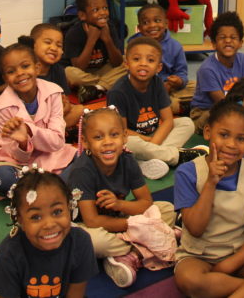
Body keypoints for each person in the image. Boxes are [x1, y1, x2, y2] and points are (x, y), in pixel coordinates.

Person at [173, 100, 244, 297]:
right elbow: (196, 229)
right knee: (189, 279)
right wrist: (210, 183)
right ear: (208, 132)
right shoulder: (188, 172)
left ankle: (241, 289)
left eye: (240, 139)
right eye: (224, 135)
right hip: (198, 256)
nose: (231, 145)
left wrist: (228, 265)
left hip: (239, 255)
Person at [61, 107, 177, 288]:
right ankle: (146, 243)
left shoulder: (127, 160)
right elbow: (91, 220)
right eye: (98, 137)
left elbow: (146, 202)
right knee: (91, 241)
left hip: (119, 217)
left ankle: (129, 254)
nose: (107, 142)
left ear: (124, 137)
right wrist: (138, 226)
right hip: (87, 224)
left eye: (114, 135)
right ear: (85, 142)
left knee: (167, 209)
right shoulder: (82, 171)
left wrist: (120, 205)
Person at [0, 41, 76, 198]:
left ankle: (35, 192)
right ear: (4, 78)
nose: (20, 73)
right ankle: (53, 189)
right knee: (1, 177)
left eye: (25, 66)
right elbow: (18, 156)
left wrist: (30, 131)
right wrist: (22, 143)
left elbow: (57, 142)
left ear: (37, 68)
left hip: (52, 154)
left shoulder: (53, 93)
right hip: (17, 164)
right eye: (11, 71)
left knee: (84, 159)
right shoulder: (3, 107)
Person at [108, 36, 207, 179]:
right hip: (134, 139)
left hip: (155, 136)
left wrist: (154, 145)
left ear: (159, 67)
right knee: (128, 142)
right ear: (126, 64)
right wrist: (146, 141)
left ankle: (145, 162)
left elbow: (167, 120)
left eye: (150, 60)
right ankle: (176, 156)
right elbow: (121, 131)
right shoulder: (117, 92)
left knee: (186, 122)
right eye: (136, 59)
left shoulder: (158, 83)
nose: (143, 64)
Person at [0, 169, 97, 297]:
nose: (49, 224)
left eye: (57, 212)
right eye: (36, 217)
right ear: (20, 220)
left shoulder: (80, 242)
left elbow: (76, 294)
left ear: (69, 207)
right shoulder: (9, 252)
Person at [190, 11, 244, 131]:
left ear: (240, 43)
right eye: (222, 37)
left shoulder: (243, 59)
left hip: (234, 107)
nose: (228, 41)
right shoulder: (206, 69)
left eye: (233, 37)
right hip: (205, 112)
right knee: (225, 119)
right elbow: (221, 102)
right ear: (213, 44)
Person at [62, 0, 125, 103]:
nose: (102, 13)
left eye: (105, 8)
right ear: (82, 15)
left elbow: (117, 63)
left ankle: (96, 89)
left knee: (127, 64)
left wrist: (108, 40)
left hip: (104, 69)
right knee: (69, 73)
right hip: (84, 74)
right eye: (96, 10)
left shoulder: (109, 27)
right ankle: (104, 85)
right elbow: (79, 68)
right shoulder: (74, 33)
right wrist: (91, 40)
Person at [130, 3, 194, 115]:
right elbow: (131, 72)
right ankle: (179, 107)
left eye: (157, 20)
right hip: (145, 86)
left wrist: (178, 81)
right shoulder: (135, 45)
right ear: (139, 28)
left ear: (166, 24)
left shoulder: (175, 46)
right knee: (132, 95)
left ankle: (176, 105)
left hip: (170, 86)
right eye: (145, 23)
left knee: (197, 87)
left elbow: (182, 73)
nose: (152, 25)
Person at [28, 24, 84, 130]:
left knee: (79, 109)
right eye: (48, 42)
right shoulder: (27, 70)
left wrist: (64, 107)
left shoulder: (58, 70)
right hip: (31, 116)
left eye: (59, 45)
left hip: (53, 114)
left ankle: (49, 132)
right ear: (32, 44)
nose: (54, 48)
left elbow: (65, 100)